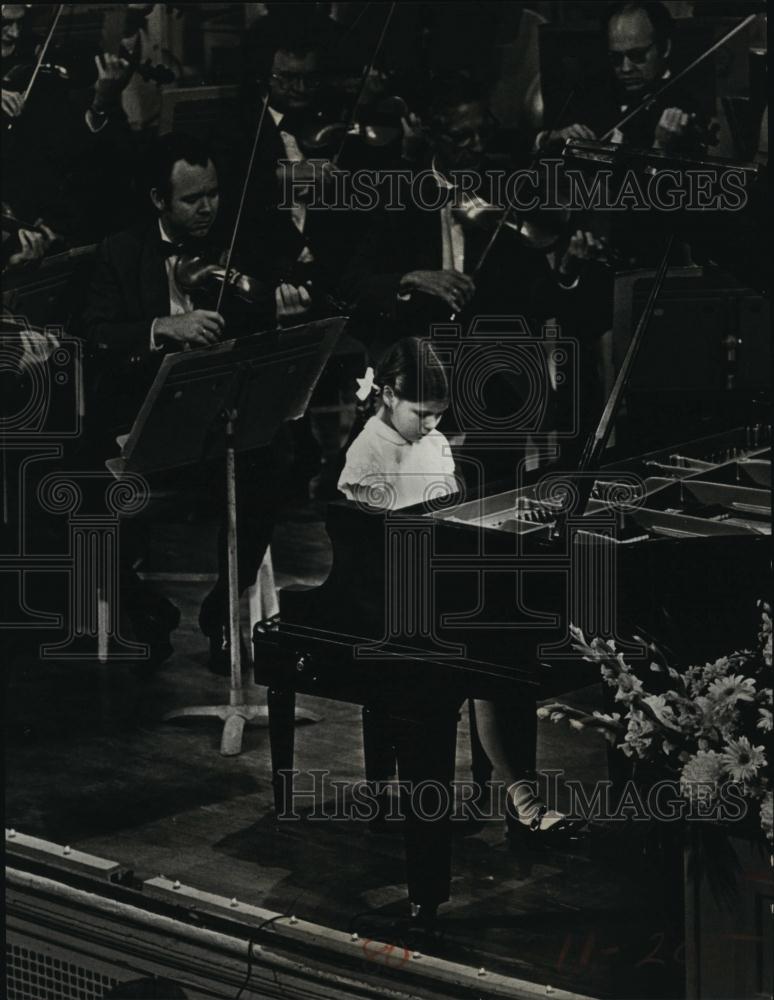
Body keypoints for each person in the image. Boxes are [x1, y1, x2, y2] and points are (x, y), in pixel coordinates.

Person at [339, 338, 578, 845]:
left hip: (440, 581)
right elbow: (371, 548)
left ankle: (521, 797)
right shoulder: (365, 453)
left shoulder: (436, 443)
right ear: (387, 396)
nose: (430, 425)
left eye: (437, 415)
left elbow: (451, 519)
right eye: (421, 414)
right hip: (391, 596)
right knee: (487, 651)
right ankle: (519, 800)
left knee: (501, 652)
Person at [82, 132, 279, 671]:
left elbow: (265, 333)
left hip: (219, 431)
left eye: (213, 193)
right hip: (143, 430)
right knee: (90, 496)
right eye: (193, 199)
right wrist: (160, 326)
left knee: (274, 470)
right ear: (158, 201)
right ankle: (143, 610)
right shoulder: (120, 253)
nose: (208, 208)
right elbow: (95, 333)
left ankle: (222, 614)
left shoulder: (237, 247)